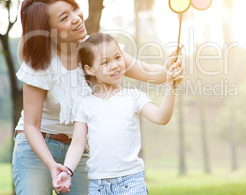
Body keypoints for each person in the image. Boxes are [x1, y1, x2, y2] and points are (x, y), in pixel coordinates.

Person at [12, 0, 184, 195]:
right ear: (48, 30)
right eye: (65, 17)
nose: (76, 18)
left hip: (79, 147)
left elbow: (147, 71)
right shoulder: (39, 63)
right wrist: (52, 165)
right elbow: (31, 125)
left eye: (75, 9)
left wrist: (169, 71)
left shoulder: (96, 51)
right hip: (37, 148)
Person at [52, 33, 182, 194]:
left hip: (131, 182)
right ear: (89, 69)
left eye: (117, 57)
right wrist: (67, 170)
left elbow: (161, 117)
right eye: (105, 62)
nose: (114, 65)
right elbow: (78, 143)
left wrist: (171, 85)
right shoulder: (85, 104)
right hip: (97, 186)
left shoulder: (134, 96)